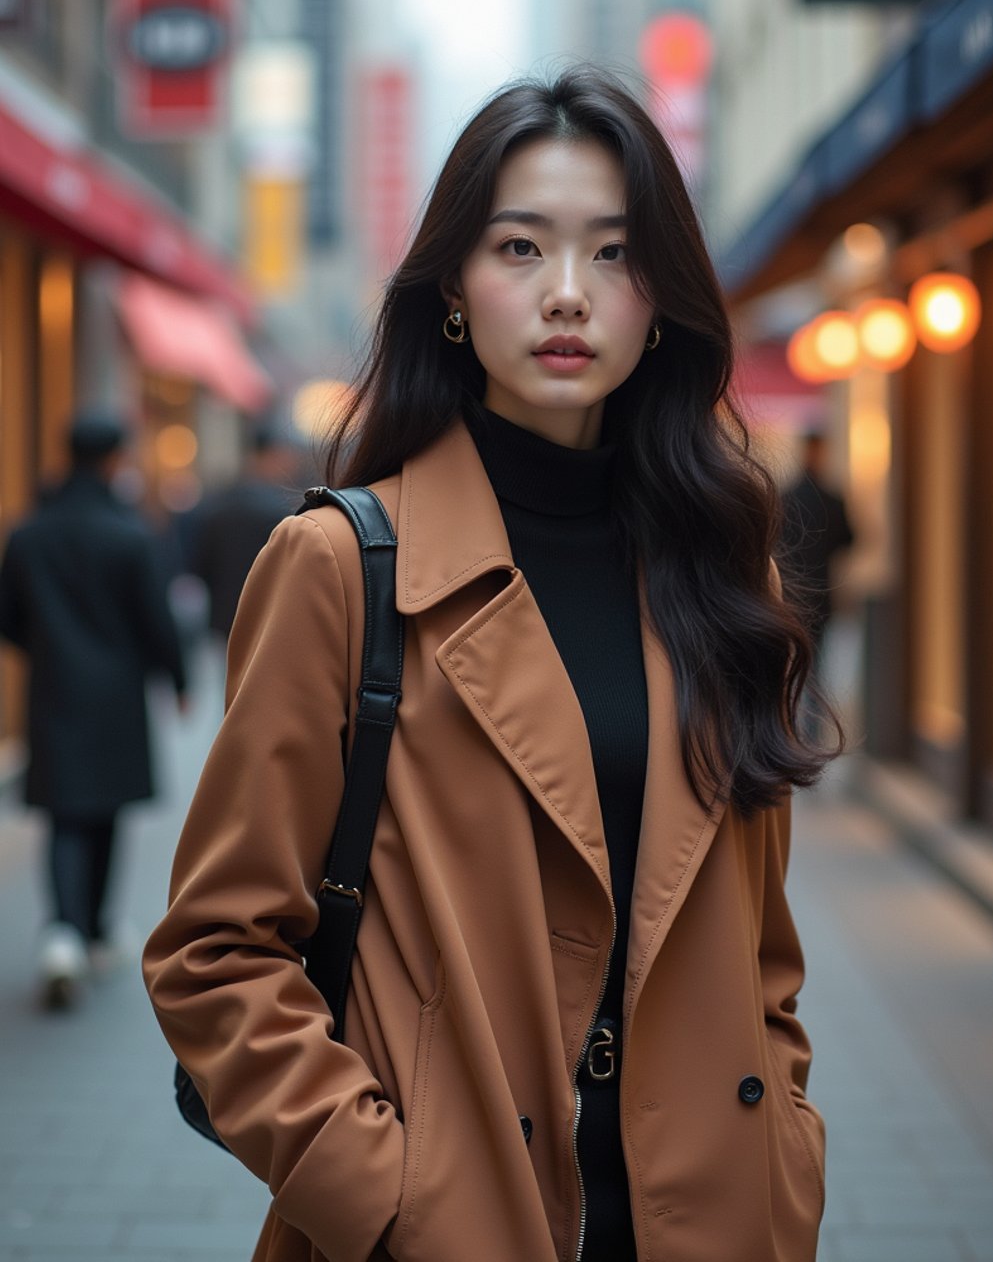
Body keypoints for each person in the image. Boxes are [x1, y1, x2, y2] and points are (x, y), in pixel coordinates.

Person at [144, 69, 837, 1262]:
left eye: (613, 255)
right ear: (455, 290)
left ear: (660, 298)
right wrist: (395, 1194)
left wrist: (786, 1162)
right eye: (520, 247)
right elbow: (214, 955)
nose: (566, 294)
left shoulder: (726, 575)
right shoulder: (342, 568)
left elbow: (762, 959)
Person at [0, 411, 187, 1008]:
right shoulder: (130, 533)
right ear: (114, 460)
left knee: (63, 811)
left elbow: (6, 616)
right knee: (105, 810)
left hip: (55, 688)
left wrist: (45, 648)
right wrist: (175, 677)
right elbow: (157, 620)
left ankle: (64, 930)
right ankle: (97, 929)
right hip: (117, 693)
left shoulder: (29, 532)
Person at [187, 421, 300, 640]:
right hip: (269, 618)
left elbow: (200, 564)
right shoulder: (283, 511)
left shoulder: (218, 504)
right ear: (271, 456)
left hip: (225, 617)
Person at [780, 430, 855, 671]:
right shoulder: (831, 500)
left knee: (794, 655)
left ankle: (799, 700)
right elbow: (849, 539)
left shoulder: (786, 498)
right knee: (817, 658)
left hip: (791, 589)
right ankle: (812, 703)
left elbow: (776, 543)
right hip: (822, 588)